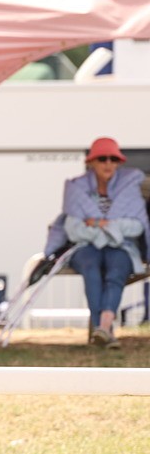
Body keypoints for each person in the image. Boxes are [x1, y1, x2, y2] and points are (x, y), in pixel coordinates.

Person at [62, 137, 148, 349]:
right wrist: (111, 228)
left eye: (113, 159)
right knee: (91, 269)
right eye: (102, 159)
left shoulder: (130, 188)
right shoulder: (77, 189)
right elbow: (73, 229)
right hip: (85, 247)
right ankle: (106, 330)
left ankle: (105, 325)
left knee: (116, 270)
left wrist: (98, 224)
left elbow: (137, 226)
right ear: (91, 162)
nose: (108, 163)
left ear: (118, 162)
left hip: (121, 247)